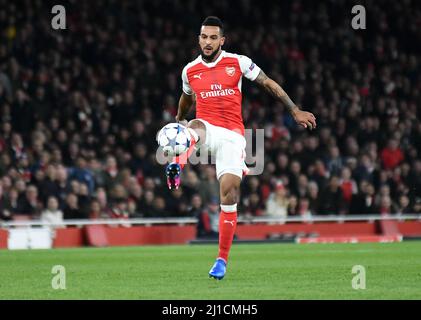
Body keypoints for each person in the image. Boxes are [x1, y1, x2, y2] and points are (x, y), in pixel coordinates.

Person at [163, 16, 316, 280]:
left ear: (222, 40)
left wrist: (294, 110)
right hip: (206, 129)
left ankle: (221, 260)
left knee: (229, 194)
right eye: (204, 37)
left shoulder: (238, 62)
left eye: (213, 37)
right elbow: (187, 98)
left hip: (233, 137)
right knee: (195, 125)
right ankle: (178, 162)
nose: (208, 42)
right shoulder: (190, 70)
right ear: (198, 39)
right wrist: (179, 120)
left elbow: (268, 83)